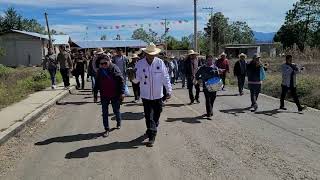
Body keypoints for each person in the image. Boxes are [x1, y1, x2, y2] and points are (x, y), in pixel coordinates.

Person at [135, 43, 172, 147]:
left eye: (153, 54)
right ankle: (152, 136)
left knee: (157, 114)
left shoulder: (160, 63)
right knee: (148, 116)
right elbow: (136, 80)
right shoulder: (139, 64)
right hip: (146, 95)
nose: (151, 56)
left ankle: (152, 128)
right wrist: (132, 77)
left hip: (158, 95)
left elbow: (166, 77)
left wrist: (169, 91)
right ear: (145, 53)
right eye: (149, 54)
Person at [94, 55, 125, 137]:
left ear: (109, 61)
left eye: (105, 63)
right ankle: (106, 129)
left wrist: (122, 93)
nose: (103, 65)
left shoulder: (114, 68)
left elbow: (121, 80)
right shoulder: (100, 71)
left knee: (116, 110)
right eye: (101, 64)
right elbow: (96, 83)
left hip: (115, 94)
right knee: (104, 113)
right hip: (104, 95)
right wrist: (95, 95)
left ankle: (118, 122)